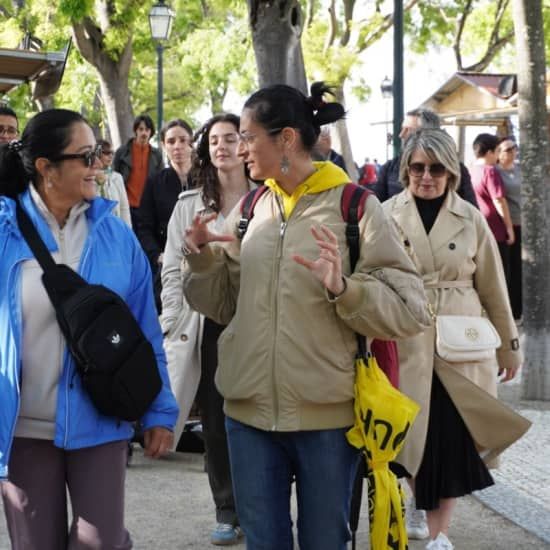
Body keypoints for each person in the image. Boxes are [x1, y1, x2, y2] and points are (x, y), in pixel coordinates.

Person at [180, 82, 431, 550]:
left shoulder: (357, 207)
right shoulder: (250, 208)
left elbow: (410, 310)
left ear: (286, 139)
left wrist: (344, 288)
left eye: (248, 136)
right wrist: (201, 259)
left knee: (325, 542)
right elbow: (222, 306)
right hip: (248, 414)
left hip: (328, 421)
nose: (241, 148)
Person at [0, 109, 179, 550]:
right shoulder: (4, 232)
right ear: (46, 168)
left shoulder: (117, 236)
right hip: (23, 430)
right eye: (85, 156)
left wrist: (159, 411)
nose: (99, 164)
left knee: (101, 542)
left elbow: (144, 329)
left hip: (101, 420)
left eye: (98, 152)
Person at [382, 128, 523, 550]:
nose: (427, 176)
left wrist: (509, 347)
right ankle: (416, 499)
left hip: (460, 343)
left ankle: (440, 535)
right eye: (418, 167)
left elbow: (493, 287)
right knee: (410, 436)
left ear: (452, 173)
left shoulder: (471, 218)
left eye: (437, 168)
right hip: (405, 338)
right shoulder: (385, 214)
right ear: (406, 170)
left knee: (452, 441)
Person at [161, 113, 252, 546]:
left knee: (257, 416)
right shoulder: (188, 204)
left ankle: (258, 506)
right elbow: (171, 268)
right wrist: (171, 319)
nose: (222, 147)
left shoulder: (267, 196)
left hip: (257, 319)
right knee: (215, 419)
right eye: (214, 140)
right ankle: (227, 509)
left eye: (230, 138)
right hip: (207, 322)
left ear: (245, 144)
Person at [137, 119, 194, 310]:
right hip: (168, 266)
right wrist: (157, 255)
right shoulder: (154, 182)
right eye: (171, 141)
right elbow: (143, 226)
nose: (177, 146)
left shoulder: (207, 179)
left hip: (203, 263)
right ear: (163, 146)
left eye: (182, 140)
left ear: (191, 142)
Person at [374, 108, 478, 207]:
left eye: (408, 130)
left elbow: (470, 211)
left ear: (429, 133)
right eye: (417, 168)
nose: (401, 135)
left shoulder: (457, 169)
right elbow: (377, 210)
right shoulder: (389, 168)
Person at [470, 133, 515, 287]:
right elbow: (499, 200)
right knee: (501, 274)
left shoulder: (471, 170)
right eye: (497, 151)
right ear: (489, 152)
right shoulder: (489, 171)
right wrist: (509, 228)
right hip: (496, 229)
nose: (498, 156)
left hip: (479, 227)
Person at [113, 114, 164, 227]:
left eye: (147, 130)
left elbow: (161, 182)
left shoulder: (157, 155)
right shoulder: (122, 152)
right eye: (141, 129)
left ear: (151, 132)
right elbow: (114, 178)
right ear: (135, 130)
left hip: (148, 208)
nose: (144, 133)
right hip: (126, 206)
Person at [496, 136, 522, 321]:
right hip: (508, 225)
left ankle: (520, 309)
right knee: (510, 269)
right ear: (498, 154)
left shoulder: (521, 169)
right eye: (508, 149)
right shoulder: (496, 172)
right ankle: (512, 311)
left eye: (514, 147)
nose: (512, 151)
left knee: (522, 268)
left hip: (525, 223)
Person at [95, 138, 132, 226]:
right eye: (106, 153)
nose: (110, 156)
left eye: (112, 153)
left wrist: (127, 230)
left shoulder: (117, 177)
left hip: (116, 226)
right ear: (97, 154)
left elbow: (124, 208)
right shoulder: (89, 178)